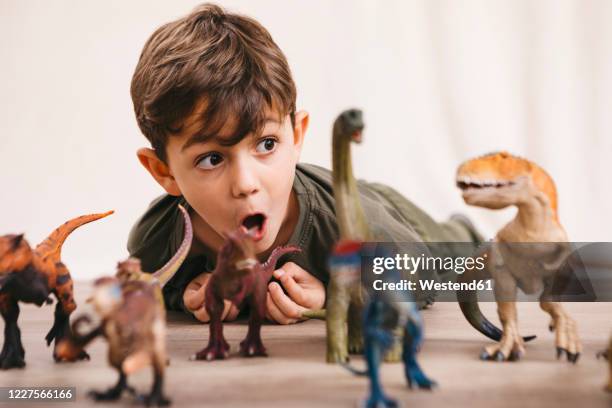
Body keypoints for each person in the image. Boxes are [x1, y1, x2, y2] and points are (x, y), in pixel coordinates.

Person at [127, 3, 482, 325]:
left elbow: (422, 281)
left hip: (408, 228)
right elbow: (147, 288)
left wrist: (333, 296)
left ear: (296, 136)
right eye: (212, 159)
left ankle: (466, 229)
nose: (246, 183)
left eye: (266, 144)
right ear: (165, 171)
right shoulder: (157, 240)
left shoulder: (349, 225)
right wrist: (187, 296)